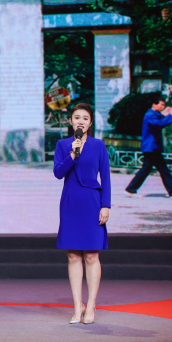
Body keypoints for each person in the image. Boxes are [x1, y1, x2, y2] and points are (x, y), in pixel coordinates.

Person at [53, 103, 110, 325]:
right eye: (77, 117)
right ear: (70, 121)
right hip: (71, 202)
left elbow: (106, 176)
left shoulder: (98, 145)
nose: (81, 121)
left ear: (90, 123)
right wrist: (72, 154)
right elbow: (58, 173)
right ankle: (78, 307)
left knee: (92, 255)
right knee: (73, 255)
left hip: (92, 203)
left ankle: (91, 305)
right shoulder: (63, 144)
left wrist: (106, 205)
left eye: (85, 118)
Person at [125, 97, 172, 199]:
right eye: (161, 104)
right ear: (154, 104)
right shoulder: (150, 115)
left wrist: (165, 115)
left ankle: (131, 189)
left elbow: (159, 119)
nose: (163, 106)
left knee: (149, 169)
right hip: (151, 147)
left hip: (152, 147)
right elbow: (159, 123)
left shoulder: (153, 114)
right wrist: (171, 115)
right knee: (161, 170)